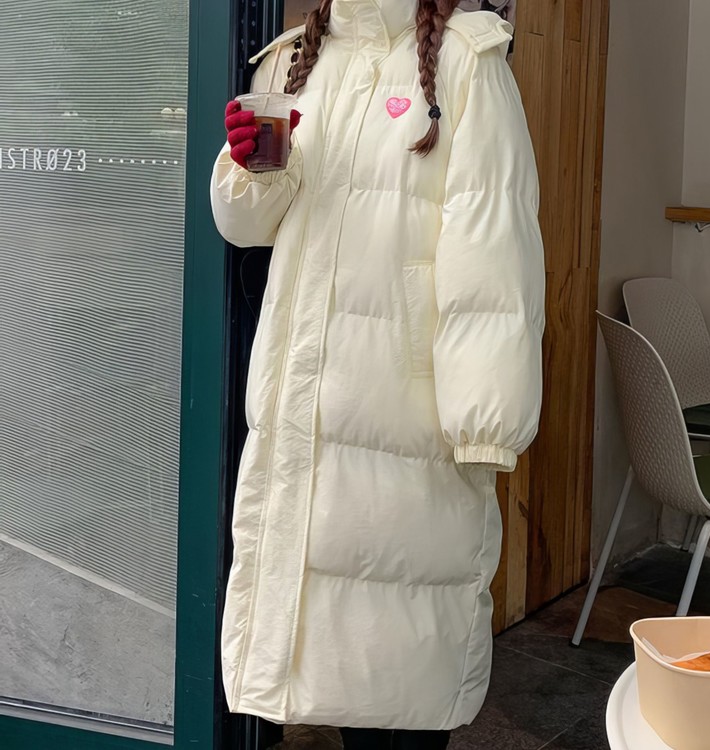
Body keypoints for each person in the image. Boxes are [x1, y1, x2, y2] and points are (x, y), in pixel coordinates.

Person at [210, 0, 545, 747]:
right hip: (305, 403)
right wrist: (247, 170)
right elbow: (248, 229)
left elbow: (494, 249)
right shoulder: (292, 61)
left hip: (407, 413)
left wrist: (485, 419)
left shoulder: (467, 61)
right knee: (322, 658)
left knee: (403, 661)